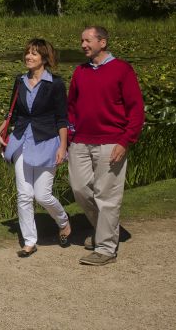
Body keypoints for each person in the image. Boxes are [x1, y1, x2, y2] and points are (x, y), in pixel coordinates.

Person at [67, 25, 144, 266]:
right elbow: (71, 108)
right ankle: (106, 229)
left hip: (111, 142)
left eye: (87, 40)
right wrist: (69, 138)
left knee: (106, 195)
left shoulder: (122, 69)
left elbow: (136, 110)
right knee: (80, 189)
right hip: (80, 141)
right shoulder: (80, 72)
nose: (83, 45)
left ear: (102, 42)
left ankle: (106, 247)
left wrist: (125, 141)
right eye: (82, 41)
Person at [0, 38, 72, 257]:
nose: (28, 57)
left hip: (47, 141)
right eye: (27, 52)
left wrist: (62, 147)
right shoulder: (19, 81)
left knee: (43, 195)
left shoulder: (55, 84)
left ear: (45, 58)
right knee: (24, 194)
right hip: (21, 140)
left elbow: (62, 119)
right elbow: (13, 113)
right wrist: (0, 130)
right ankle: (29, 241)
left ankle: (63, 221)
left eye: (34, 53)